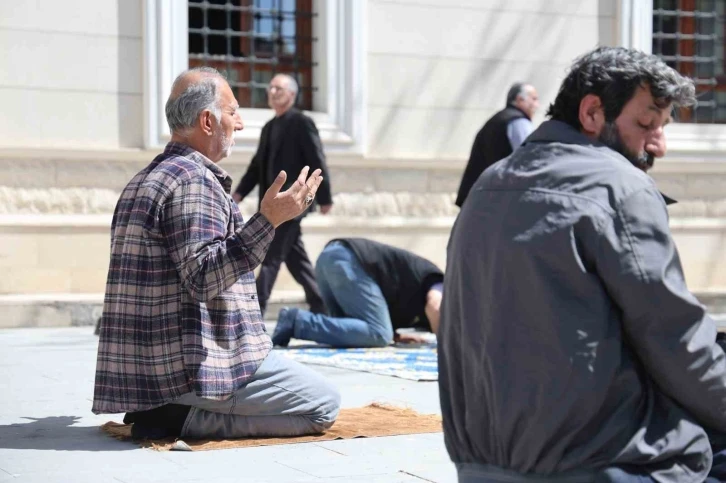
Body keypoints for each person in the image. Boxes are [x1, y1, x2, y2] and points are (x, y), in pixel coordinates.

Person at [439, 46, 726, 482]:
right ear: (593, 112)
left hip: (481, 466)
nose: (659, 145)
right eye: (647, 124)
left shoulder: (487, 184)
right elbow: (674, 339)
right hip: (596, 464)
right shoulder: (620, 186)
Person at [93, 67, 340, 441]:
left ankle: (170, 408)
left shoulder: (144, 179)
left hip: (150, 373)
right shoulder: (193, 182)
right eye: (233, 111)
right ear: (207, 121)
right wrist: (269, 219)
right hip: (194, 370)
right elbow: (205, 278)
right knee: (323, 405)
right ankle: (182, 419)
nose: (240, 123)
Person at [232, 73, 333, 317]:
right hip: (272, 205)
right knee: (297, 261)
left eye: (278, 88)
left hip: (292, 202)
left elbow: (317, 159)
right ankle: (323, 307)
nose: (272, 92)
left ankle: (253, 314)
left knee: (270, 256)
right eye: (270, 88)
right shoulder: (268, 127)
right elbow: (257, 166)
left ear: (291, 94)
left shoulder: (302, 122)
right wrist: (239, 193)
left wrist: (324, 197)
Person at [271, 238, 443, 348]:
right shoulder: (441, 283)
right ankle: (297, 321)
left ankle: (296, 323)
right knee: (380, 334)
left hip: (331, 260)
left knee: (345, 333)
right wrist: (445, 346)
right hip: (349, 262)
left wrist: (396, 334)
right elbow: (435, 306)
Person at [455, 82, 539, 207]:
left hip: (479, 197)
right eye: (534, 99)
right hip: (497, 199)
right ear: (520, 99)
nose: (537, 105)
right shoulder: (518, 122)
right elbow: (531, 159)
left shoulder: (498, 120)